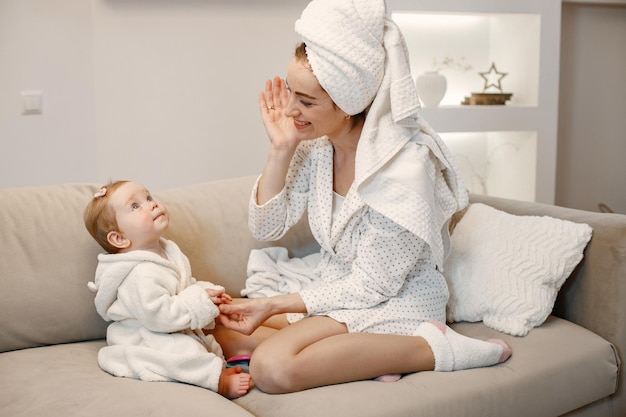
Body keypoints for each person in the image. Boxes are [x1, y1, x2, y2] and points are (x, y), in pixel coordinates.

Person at [216, 0, 512, 394]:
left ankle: (431, 348)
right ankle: (362, 356)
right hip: (337, 287)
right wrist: (280, 149)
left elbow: (374, 286)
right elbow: (267, 226)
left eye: (306, 101)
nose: (289, 110)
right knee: (218, 326)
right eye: (290, 93)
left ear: (350, 101)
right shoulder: (317, 146)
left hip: (393, 300)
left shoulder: (404, 168)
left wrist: (275, 305)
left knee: (272, 368)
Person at [84, 180, 252, 399]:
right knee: (183, 353)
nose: (151, 205)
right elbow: (158, 315)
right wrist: (199, 301)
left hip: (169, 325)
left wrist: (207, 293)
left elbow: (183, 287)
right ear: (120, 238)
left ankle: (218, 366)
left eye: (148, 197)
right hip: (147, 333)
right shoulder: (139, 274)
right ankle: (219, 382)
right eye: (135, 206)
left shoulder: (167, 250)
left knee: (205, 340)